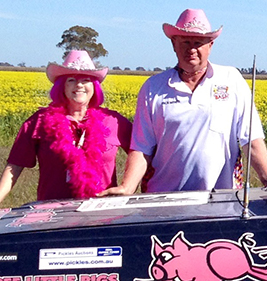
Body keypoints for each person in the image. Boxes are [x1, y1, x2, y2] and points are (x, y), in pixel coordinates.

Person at [100, 9, 267, 196]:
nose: (192, 49)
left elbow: (251, 140)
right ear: (174, 44)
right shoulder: (153, 87)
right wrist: (127, 187)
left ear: (211, 45)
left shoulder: (232, 80)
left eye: (198, 43)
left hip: (221, 198)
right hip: (164, 199)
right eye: (185, 41)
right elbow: (141, 147)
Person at [0, 50, 131, 206]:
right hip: (52, 214)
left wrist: (128, 186)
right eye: (71, 80)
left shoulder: (114, 121)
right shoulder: (39, 121)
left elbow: (142, 152)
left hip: (102, 211)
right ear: (62, 86)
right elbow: (15, 164)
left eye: (86, 80)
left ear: (94, 87)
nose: (79, 85)